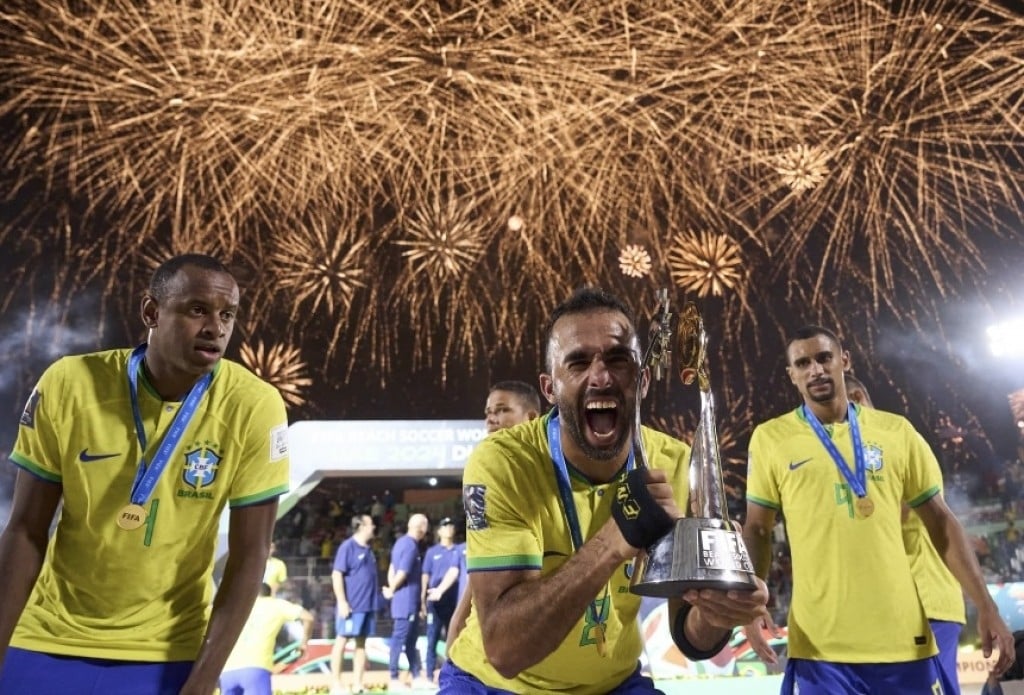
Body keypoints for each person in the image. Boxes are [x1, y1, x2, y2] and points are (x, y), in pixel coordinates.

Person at [440, 287, 771, 694]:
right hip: (494, 686)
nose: (601, 376)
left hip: (612, 685)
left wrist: (720, 612)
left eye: (618, 359)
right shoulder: (505, 462)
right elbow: (506, 651)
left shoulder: (677, 461)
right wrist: (615, 539)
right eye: (578, 362)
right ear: (549, 389)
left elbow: (691, 636)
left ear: (643, 379)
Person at [0, 253, 291, 695]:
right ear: (151, 312)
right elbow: (24, 531)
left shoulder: (254, 405)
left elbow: (251, 554)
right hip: (44, 639)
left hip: (166, 656)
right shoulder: (68, 384)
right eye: (198, 310)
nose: (216, 327)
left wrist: (203, 680)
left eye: (227, 314)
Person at [742, 325, 1014, 694]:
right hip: (821, 647)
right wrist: (749, 604)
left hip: (904, 641)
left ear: (844, 361)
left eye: (824, 358)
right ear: (792, 375)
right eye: (802, 363)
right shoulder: (771, 438)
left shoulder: (896, 432)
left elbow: (940, 521)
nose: (816, 370)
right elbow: (757, 529)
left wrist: (986, 605)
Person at [850, 373, 968, 693]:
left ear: (858, 400)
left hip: (926, 603)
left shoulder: (893, 444)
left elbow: (893, 516)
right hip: (894, 608)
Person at [429, 380, 543, 647]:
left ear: (532, 417)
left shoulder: (557, 468)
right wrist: (460, 618)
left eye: (502, 410)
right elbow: (483, 557)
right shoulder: (485, 469)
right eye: (488, 412)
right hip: (497, 615)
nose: (491, 418)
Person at [218, 583, 314, 695]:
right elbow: (308, 617)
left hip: (227, 672)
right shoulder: (275, 604)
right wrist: (304, 643)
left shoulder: (237, 608)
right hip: (255, 668)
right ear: (270, 594)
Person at [329, 514, 379, 695]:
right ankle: (336, 684)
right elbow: (336, 575)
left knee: (361, 644)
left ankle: (358, 684)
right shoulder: (347, 547)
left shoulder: (369, 549)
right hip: (351, 606)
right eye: (371, 524)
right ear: (362, 526)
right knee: (341, 641)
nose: (374, 527)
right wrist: (342, 602)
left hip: (367, 606)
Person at [382, 513, 430, 690]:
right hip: (407, 602)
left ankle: (416, 675)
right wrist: (392, 589)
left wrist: (391, 586)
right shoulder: (410, 546)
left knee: (410, 641)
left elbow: (392, 568)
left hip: (403, 601)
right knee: (400, 639)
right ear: (422, 528)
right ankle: (393, 678)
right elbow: (402, 572)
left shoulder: (400, 543)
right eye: (426, 526)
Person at [421, 516, 459, 683]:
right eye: (445, 525)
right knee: (432, 638)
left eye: (451, 525)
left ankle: (454, 675)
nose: (448, 528)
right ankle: (429, 675)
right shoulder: (432, 552)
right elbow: (425, 575)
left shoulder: (459, 550)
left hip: (454, 602)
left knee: (455, 640)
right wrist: (422, 599)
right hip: (435, 604)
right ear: (439, 531)